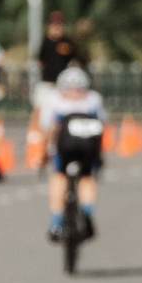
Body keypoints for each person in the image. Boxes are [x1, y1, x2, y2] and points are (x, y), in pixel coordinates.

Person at [38, 65, 106, 243]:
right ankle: (87, 213)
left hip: (63, 149)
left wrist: (45, 152)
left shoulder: (54, 100)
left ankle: (56, 222)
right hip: (88, 149)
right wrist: (100, 154)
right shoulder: (93, 99)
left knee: (58, 177)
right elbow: (101, 125)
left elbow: (47, 127)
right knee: (87, 178)